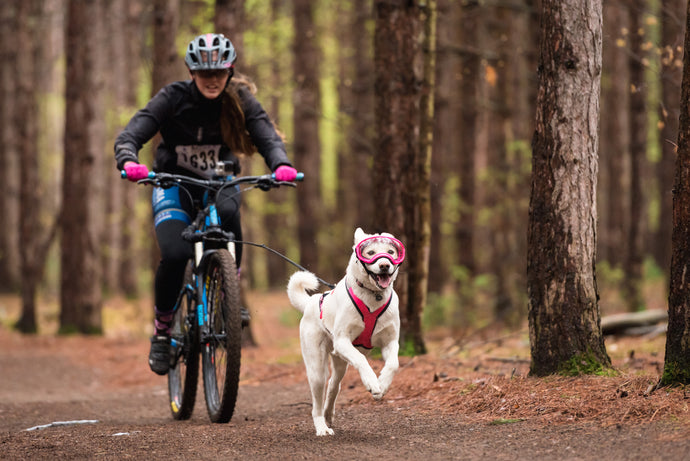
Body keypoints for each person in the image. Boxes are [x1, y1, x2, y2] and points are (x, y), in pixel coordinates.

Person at [114, 33, 297, 375]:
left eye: (219, 73)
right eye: (204, 73)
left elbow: (264, 133)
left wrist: (280, 165)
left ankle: (229, 293)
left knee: (229, 212)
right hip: (173, 184)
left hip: (218, 182)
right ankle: (163, 329)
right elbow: (134, 131)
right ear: (191, 72)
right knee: (175, 254)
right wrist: (127, 158)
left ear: (229, 72)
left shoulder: (239, 99)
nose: (212, 80)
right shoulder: (173, 97)